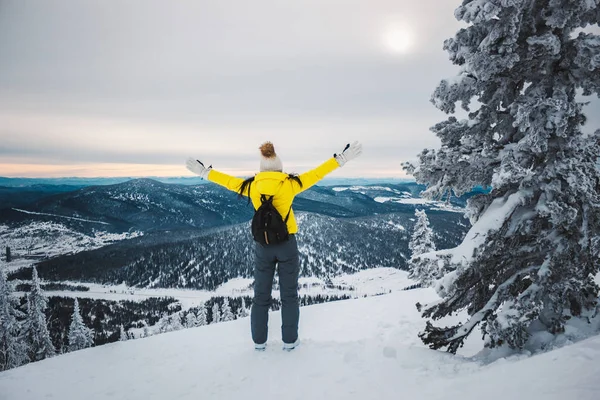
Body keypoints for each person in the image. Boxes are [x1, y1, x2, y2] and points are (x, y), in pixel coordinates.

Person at [186, 141, 362, 350]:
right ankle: (290, 342)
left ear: (261, 169)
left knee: (261, 296)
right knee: (289, 295)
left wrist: (204, 172)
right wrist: (341, 159)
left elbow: (227, 181)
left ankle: (259, 343)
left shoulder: (251, 185)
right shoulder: (289, 184)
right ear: (280, 168)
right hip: (287, 244)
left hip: (262, 246)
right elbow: (317, 174)